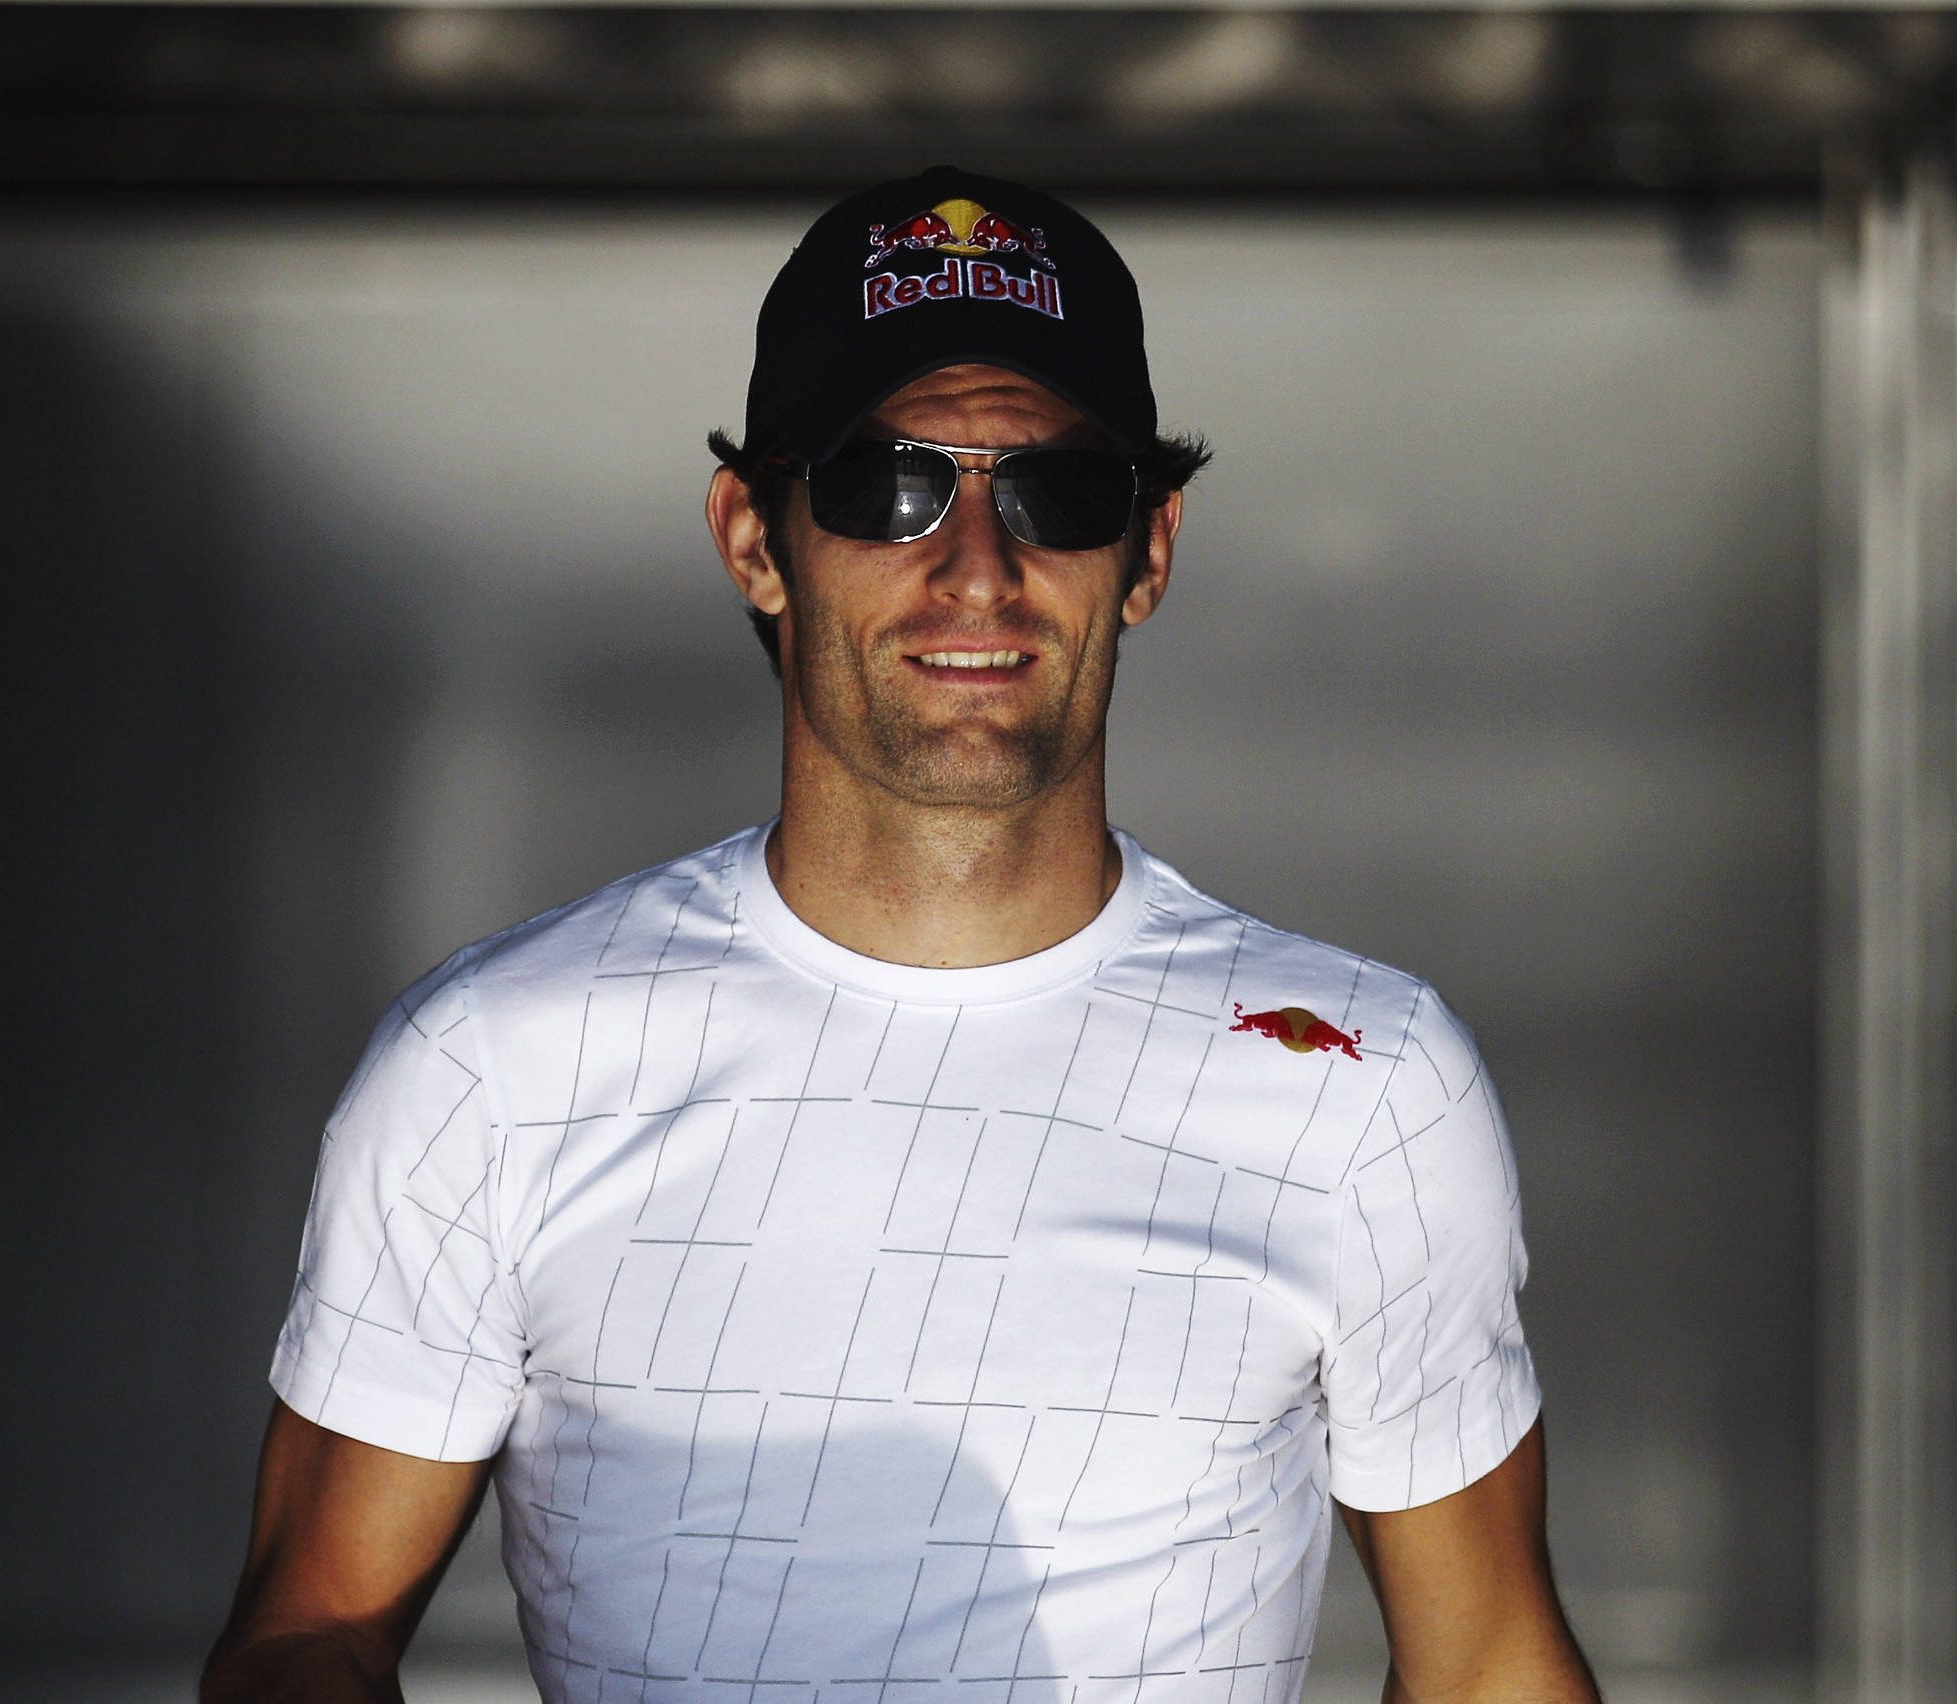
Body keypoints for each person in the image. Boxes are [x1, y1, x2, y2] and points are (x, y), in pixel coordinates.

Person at [202, 165, 1601, 1704]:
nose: (977, 566)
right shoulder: (494, 1067)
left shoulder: (1361, 1082)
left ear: (1148, 550)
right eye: (888, 485)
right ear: (755, 539)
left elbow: (1487, 1662)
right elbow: (311, 1627)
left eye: (1058, 491)